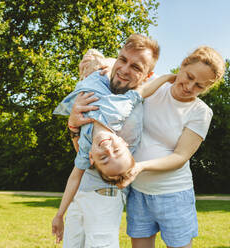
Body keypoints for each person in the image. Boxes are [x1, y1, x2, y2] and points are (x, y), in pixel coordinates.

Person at [74, 46, 226, 248]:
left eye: (199, 86)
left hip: (174, 194)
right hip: (138, 192)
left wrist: (140, 167)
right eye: (188, 76)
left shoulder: (201, 112)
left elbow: (180, 156)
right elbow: (128, 69)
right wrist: (105, 64)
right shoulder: (152, 88)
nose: (189, 86)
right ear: (182, 66)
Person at [51, 34, 161, 248]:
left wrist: (74, 125)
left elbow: (92, 156)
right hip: (84, 190)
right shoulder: (110, 90)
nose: (124, 69)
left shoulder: (125, 111)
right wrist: (74, 124)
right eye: (122, 59)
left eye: (136, 68)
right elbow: (88, 150)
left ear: (147, 75)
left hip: (103, 194)